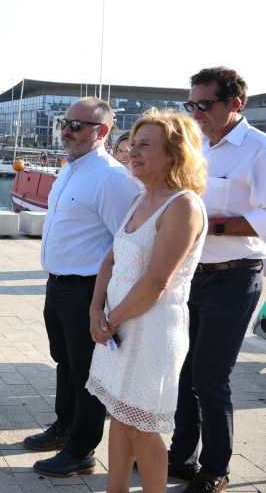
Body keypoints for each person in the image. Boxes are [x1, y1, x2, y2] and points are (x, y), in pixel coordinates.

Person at [86, 109, 207, 493]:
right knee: (120, 419)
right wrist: (95, 311)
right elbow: (110, 259)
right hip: (118, 325)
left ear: (174, 153)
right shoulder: (142, 199)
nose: (133, 152)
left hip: (152, 330)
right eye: (133, 144)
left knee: (143, 428)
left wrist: (110, 321)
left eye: (145, 146)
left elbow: (157, 282)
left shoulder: (183, 206)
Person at [25, 97, 140, 477]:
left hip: (87, 288)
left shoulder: (110, 178)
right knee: (64, 362)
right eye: (65, 122)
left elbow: (125, 244)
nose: (66, 130)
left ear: (102, 132)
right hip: (58, 284)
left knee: (88, 373)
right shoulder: (70, 170)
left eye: (77, 125)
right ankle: (65, 425)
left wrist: (104, 302)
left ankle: (82, 448)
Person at [169, 67, 266, 493]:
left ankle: (216, 469)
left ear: (235, 104)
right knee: (182, 369)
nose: (196, 112)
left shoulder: (259, 150)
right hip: (189, 273)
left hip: (235, 276)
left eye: (204, 105)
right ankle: (181, 456)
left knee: (210, 376)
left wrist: (213, 226)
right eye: (191, 104)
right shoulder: (194, 146)